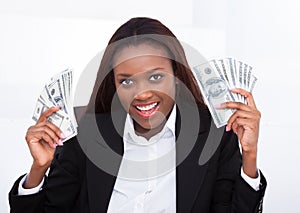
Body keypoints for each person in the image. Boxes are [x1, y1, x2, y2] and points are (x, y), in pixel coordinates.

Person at [9, 17, 266, 213]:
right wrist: (38, 169)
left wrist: (250, 156)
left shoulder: (214, 135)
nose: (142, 94)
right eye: (127, 81)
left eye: (156, 77)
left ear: (177, 77)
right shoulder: (86, 134)